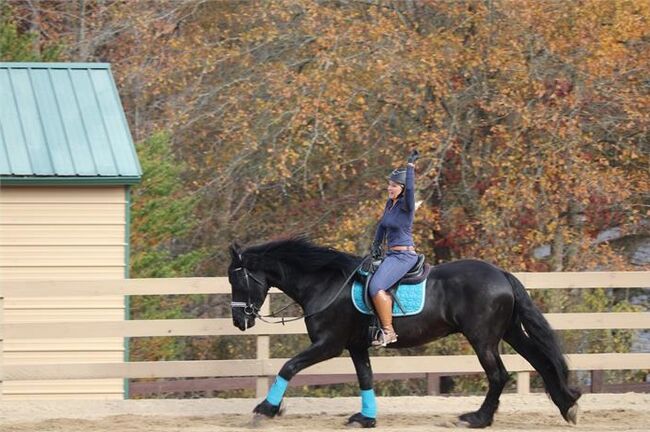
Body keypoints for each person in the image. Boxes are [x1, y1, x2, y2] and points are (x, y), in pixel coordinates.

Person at [369, 149, 419, 347]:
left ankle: (389, 332)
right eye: (389, 185)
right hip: (390, 254)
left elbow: (411, 190)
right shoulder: (390, 204)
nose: (389, 188)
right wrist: (375, 245)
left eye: (394, 186)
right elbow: (382, 225)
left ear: (402, 188)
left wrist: (410, 167)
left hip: (404, 256)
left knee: (376, 286)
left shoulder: (407, 205)